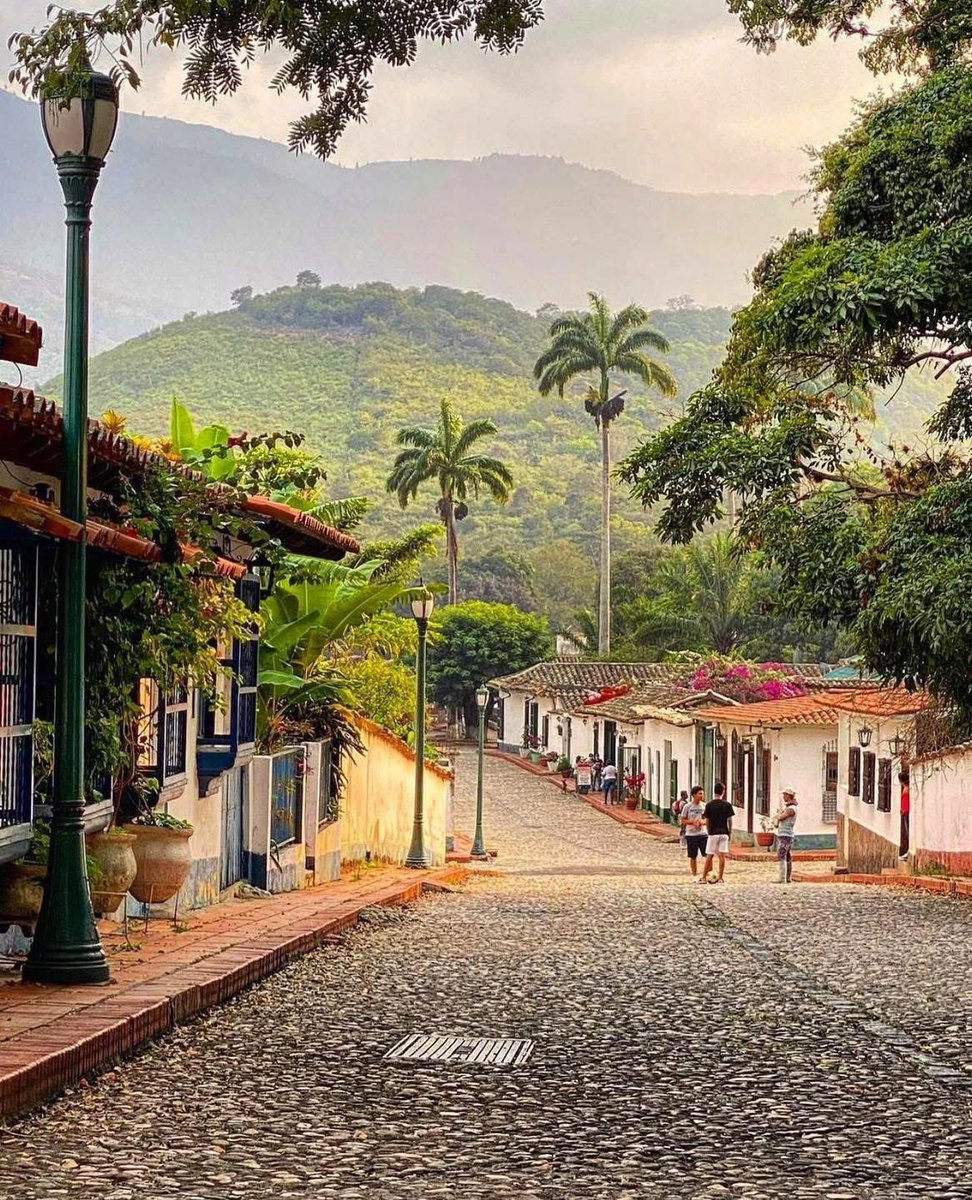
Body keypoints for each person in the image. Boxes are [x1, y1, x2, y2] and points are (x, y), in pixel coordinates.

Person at [700, 779, 734, 884]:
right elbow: (730, 820)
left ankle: (703, 877)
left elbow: (707, 820)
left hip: (713, 833)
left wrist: (709, 831)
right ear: (723, 791)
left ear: (714, 791)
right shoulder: (727, 805)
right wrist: (730, 832)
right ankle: (720, 878)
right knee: (721, 856)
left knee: (709, 855)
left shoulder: (709, 805)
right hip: (724, 833)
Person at [771, 787, 798, 884]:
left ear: (788, 796)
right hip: (786, 834)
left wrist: (777, 817)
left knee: (782, 855)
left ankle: (782, 878)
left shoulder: (791, 809)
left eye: (784, 795)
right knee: (787, 856)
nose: (783, 797)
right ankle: (788, 877)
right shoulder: (789, 807)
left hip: (786, 834)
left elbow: (781, 817)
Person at [681, 785, 708, 877]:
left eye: (702, 794)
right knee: (693, 856)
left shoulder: (705, 806)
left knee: (707, 855)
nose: (702, 796)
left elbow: (708, 820)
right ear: (694, 795)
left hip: (703, 833)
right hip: (691, 834)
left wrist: (702, 822)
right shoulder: (687, 807)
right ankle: (694, 873)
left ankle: (708, 872)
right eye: (700, 794)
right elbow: (683, 820)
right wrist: (692, 822)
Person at [899, 770, 910, 858]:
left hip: (906, 813)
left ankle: (908, 851)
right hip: (905, 812)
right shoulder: (906, 788)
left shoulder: (907, 789)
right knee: (907, 832)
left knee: (908, 832)